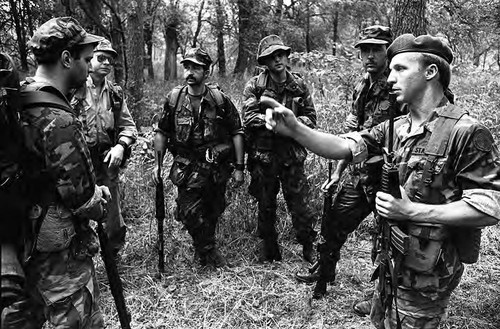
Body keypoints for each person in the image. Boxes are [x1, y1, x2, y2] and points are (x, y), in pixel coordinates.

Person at [265, 34, 500, 328]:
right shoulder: (395, 128)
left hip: (427, 279)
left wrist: (411, 211)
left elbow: (490, 207)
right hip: (389, 268)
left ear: (430, 72)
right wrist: (296, 130)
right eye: (390, 70)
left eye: (400, 69)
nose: (390, 78)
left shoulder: (466, 132)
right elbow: (344, 147)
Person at [2, 17, 110, 328]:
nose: (89, 67)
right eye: (86, 59)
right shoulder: (57, 117)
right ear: (66, 58)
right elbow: (80, 197)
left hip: (19, 238)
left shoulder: (19, 96)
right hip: (56, 252)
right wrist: (99, 199)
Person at [296, 25, 406, 301]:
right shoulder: (361, 86)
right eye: (365, 50)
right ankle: (323, 271)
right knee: (333, 222)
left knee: (389, 237)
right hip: (360, 175)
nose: (370, 56)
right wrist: (338, 173)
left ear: (388, 53)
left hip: (390, 178)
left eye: (376, 50)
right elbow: (352, 136)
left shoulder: (398, 86)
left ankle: (383, 293)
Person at [153, 47, 244, 268]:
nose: (190, 72)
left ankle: (202, 249)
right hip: (186, 167)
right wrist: (157, 165)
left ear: (207, 71)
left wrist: (240, 167)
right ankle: (209, 252)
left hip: (215, 166)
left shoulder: (220, 100)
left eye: (196, 67)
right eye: (187, 67)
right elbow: (162, 132)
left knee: (213, 209)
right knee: (190, 212)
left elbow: (237, 132)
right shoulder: (174, 99)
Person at [242, 35, 317, 263]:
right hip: (264, 156)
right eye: (271, 56)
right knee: (265, 204)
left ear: (286, 57)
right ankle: (270, 250)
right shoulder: (255, 86)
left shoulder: (299, 84)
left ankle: (308, 247)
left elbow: (311, 117)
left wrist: (292, 125)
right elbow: (248, 117)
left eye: (280, 55)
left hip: (291, 156)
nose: (277, 59)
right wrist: (271, 123)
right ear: (265, 61)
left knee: (300, 205)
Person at [72, 39, 138, 261]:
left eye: (110, 59)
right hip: (79, 162)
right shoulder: (74, 89)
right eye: (101, 58)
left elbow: (129, 126)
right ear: (89, 61)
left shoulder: (115, 93)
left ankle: (113, 255)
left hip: (108, 161)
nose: (107, 63)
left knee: (112, 213)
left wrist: (121, 146)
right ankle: (78, 257)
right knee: (77, 209)